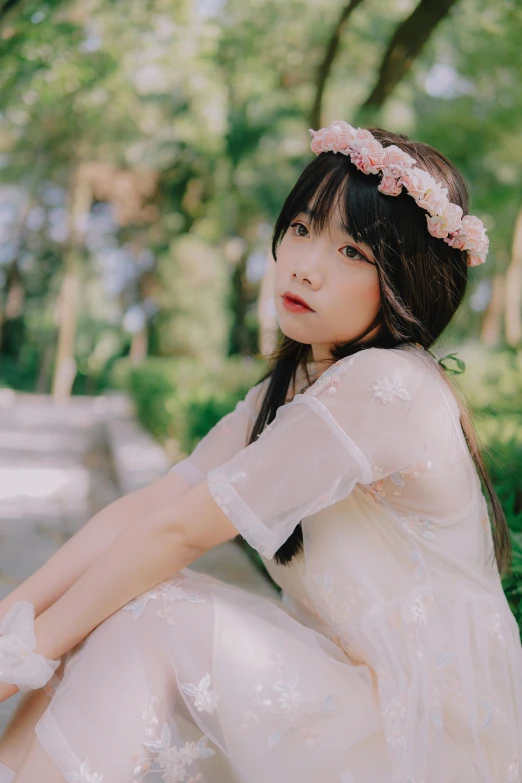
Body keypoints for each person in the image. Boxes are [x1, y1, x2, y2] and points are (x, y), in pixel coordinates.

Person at [0, 121, 520, 783]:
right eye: (302, 227)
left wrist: (25, 654)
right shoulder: (296, 388)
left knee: (144, 610)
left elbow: (178, 531)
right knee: (110, 597)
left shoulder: (386, 385)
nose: (305, 262)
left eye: (353, 251)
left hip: (418, 741)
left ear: (405, 280)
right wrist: (15, 625)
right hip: (348, 696)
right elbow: (154, 503)